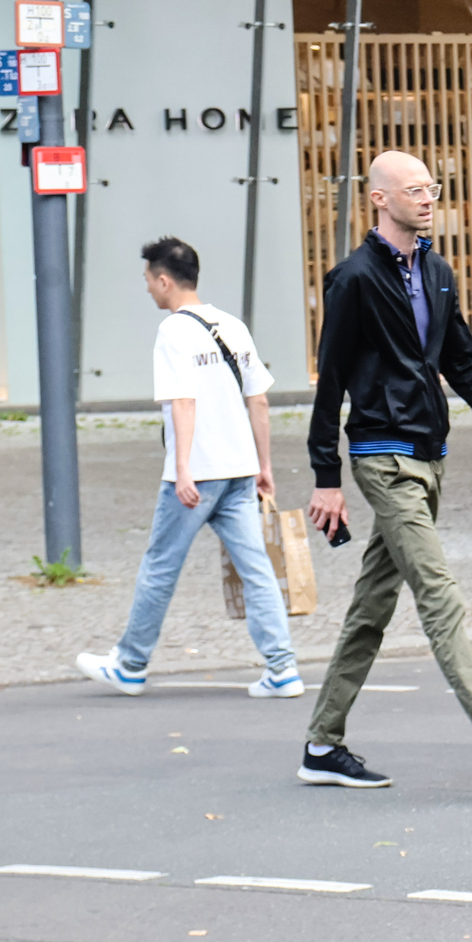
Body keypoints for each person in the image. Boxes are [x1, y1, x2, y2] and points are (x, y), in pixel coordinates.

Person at [299, 149, 472, 791]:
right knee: (439, 595)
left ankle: (322, 745)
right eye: (414, 190)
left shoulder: (437, 270)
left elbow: (462, 361)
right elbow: (330, 384)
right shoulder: (352, 279)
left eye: (431, 188)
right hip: (384, 458)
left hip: (429, 455)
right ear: (380, 198)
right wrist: (326, 476)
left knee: (372, 605)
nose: (428, 198)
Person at [77, 238, 300, 701]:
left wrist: (181, 470)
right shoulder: (233, 325)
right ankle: (282, 668)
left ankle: (130, 664)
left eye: (147, 282)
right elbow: (257, 400)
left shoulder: (174, 332)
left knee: (160, 565)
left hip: (198, 474)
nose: (148, 291)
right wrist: (264, 465)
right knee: (256, 567)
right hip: (239, 469)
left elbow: (183, 401)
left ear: (164, 279)